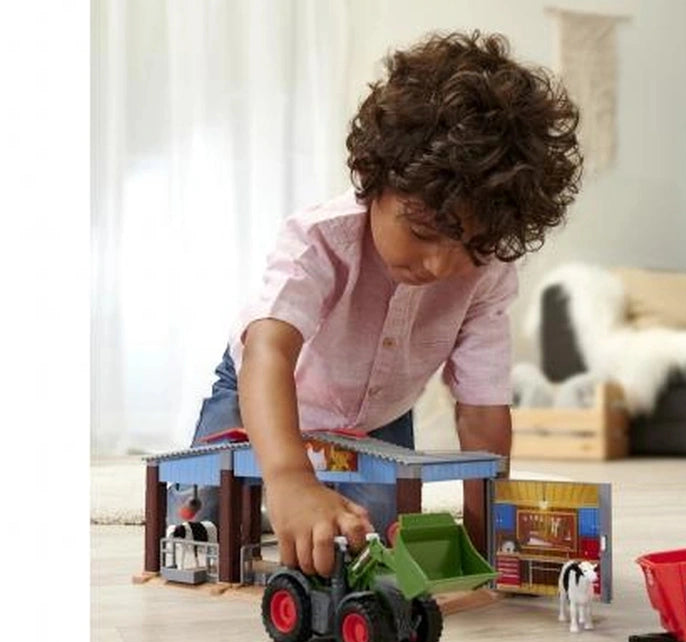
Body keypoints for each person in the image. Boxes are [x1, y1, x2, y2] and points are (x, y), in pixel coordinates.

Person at [169, 30, 582, 577]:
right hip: (260, 390)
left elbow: (482, 409)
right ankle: (283, 497)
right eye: (423, 232)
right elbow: (269, 350)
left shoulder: (488, 276)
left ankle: (300, 503)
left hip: (375, 420)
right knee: (198, 522)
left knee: (370, 545)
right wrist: (290, 478)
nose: (439, 265)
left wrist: (494, 531)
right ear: (372, 179)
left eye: (471, 245)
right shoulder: (320, 239)